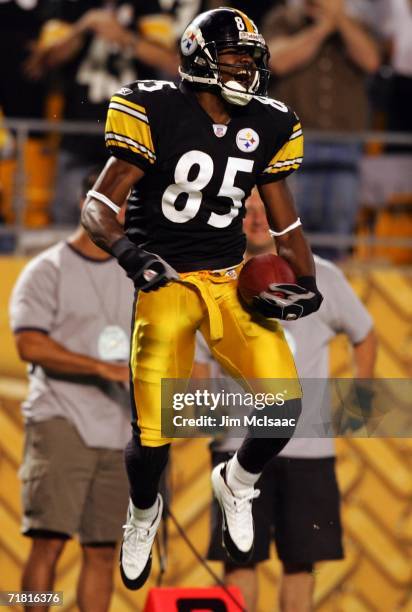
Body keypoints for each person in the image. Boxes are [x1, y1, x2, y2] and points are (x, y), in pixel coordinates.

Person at [81, 7, 324, 591]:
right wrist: (131, 255)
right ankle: (142, 515)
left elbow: (286, 225)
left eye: (250, 59)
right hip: (164, 279)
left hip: (226, 278)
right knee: (152, 432)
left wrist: (306, 279)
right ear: (198, 59)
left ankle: (236, 483)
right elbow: (97, 206)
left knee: (286, 404)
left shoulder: (267, 121)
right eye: (233, 58)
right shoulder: (157, 108)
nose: (245, 69)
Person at [194, 190, 377, 611]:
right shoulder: (214, 282)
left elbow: (364, 334)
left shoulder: (324, 276)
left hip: (308, 447)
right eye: (247, 212)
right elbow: (200, 359)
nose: (257, 220)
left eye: (265, 211)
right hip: (237, 449)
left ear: (282, 217)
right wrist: (208, 411)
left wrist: (360, 395)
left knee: (301, 563)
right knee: (240, 560)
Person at [9, 169, 133, 612]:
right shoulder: (47, 269)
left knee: (102, 552)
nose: (118, 214)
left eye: (125, 206)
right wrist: (103, 368)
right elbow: (29, 343)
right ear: (87, 206)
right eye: (109, 204)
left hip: (122, 433)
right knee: (48, 544)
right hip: (61, 419)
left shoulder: (140, 273)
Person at [27, 0, 179, 225]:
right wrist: (83, 26)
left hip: (131, 140)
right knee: (69, 224)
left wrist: (124, 37)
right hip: (78, 137)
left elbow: (171, 63)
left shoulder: (147, 6)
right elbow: (41, 61)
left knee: (135, 225)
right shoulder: (70, 5)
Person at [262, 0, 381, 258]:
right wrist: (323, 28)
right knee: (290, 233)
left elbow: (371, 61)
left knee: (337, 234)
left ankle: (332, 296)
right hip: (293, 145)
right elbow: (278, 61)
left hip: (345, 147)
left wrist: (339, 20)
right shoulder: (284, 20)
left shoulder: (358, 23)